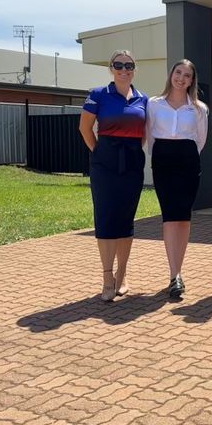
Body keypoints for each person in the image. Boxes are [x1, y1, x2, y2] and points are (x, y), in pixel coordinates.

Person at [78, 50, 148, 302]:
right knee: (106, 216)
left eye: (129, 65)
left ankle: (123, 274)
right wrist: (99, 152)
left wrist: (131, 153)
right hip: (105, 161)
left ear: (134, 69)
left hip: (131, 162)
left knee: (126, 218)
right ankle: (107, 276)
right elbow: (85, 128)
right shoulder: (98, 94)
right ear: (111, 68)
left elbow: (144, 133)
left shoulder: (143, 99)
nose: (124, 69)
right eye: (118, 64)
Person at [145, 59, 209, 300]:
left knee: (184, 218)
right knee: (170, 217)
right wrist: (164, 154)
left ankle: (178, 273)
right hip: (163, 161)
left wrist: (184, 155)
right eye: (178, 72)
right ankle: (174, 274)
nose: (181, 78)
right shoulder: (153, 104)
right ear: (171, 74)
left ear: (192, 80)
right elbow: (149, 136)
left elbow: (200, 141)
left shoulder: (200, 109)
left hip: (188, 162)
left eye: (187, 75)